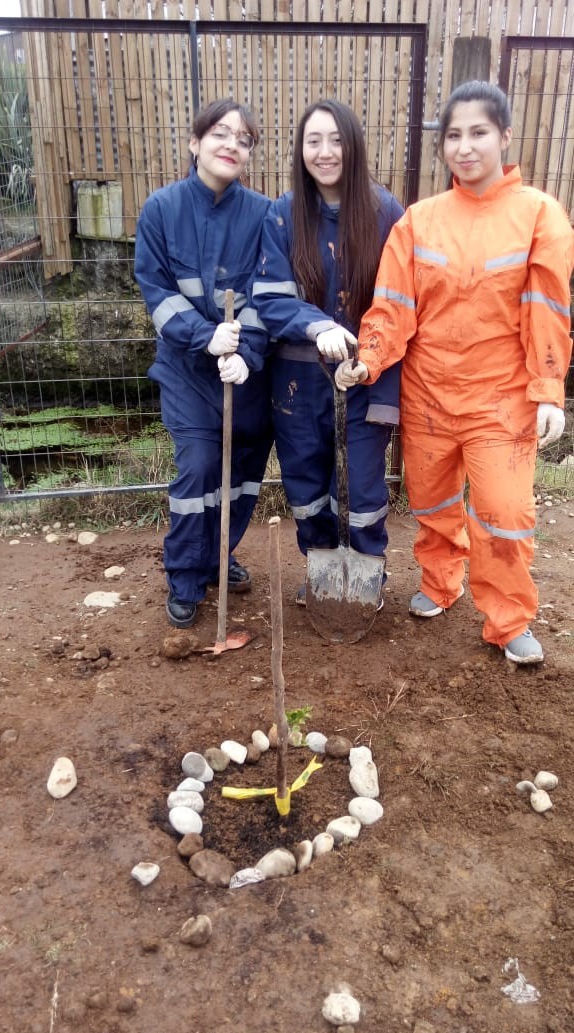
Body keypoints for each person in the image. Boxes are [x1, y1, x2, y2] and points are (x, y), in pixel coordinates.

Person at [336, 80, 574, 664]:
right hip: (428, 395)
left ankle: (508, 619)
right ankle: (441, 584)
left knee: (503, 513)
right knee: (432, 503)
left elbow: (547, 309)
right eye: (454, 136)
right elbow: (393, 304)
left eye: (478, 133)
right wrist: (366, 360)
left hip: (502, 400)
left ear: (505, 137)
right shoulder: (419, 222)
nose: (465, 147)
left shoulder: (540, 216)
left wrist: (548, 390)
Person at [252, 99, 403, 606]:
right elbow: (270, 298)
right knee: (306, 477)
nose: (325, 151)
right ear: (300, 150)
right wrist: (315, 324)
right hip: (298, 379)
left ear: (354, 144)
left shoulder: (385, 213)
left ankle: (365, 574)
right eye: (313, 140)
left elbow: (400, 297)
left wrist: (369, 355)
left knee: (361, 482)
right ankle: (320, 564)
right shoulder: (283, 215)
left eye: (336, 139)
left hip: (368, 371)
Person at [135, 99, 272, 628]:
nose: (231, 144)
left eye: (243, 139)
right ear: (195, 143)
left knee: (241, 475)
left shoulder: (264, 215)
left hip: (244, 376)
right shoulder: (162, 210)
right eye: (220, 133)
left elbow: (271, 293)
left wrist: (249, 353)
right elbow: (157, 292)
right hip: (188, 373)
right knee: (198, 468)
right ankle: (187, 577)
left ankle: (220, 554)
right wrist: (204, 336)